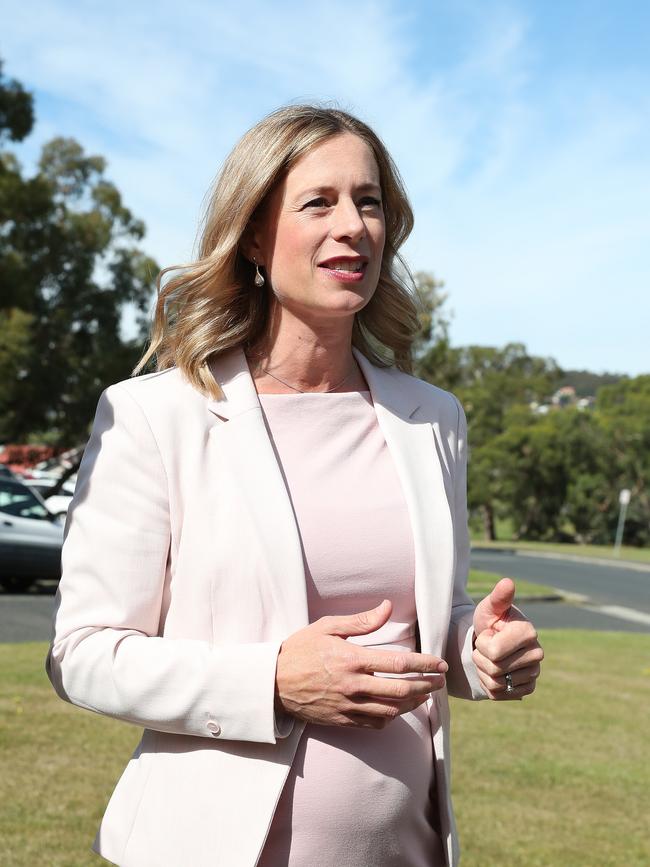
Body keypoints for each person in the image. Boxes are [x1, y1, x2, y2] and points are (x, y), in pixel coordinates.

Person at [46, 104, 544, 867]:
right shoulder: (153, 415)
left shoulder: (432, 417)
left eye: (369, 201)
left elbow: (426, 622)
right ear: (253, 234)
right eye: (319, 202)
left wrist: (481, 648)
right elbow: (83, 653)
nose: (353, 225)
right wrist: (272, 680)